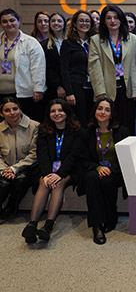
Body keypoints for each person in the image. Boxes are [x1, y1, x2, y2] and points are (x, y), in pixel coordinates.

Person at [21, 99, 80, 243]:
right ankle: (32, 224)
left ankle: (48, 226)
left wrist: (59, 174)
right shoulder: (44, 130)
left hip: (69, 169)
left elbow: (74, 155)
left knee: (58, 184)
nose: (57, 113)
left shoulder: (76, 130)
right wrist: (47, 174)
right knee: (44, 183)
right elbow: (42, 154)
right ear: (49, 114)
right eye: (53, 111)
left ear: (66, 112)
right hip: (47, 168)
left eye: (60, 110)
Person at [75, 98, 129, 244]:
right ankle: (96, 225)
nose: (102, 112)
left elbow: (126, 158)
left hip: (116, 171)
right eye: (100, 108)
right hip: (94, 169)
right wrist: (98, 167)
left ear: (112, 114)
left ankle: (111, 215)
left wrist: (110, 169)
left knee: (106, 180)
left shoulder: (122, 132)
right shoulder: (86, 133)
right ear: (95, 111)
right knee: (92, 178)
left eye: (107, 109)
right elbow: (82, 159)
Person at [88, 5, 136, 134]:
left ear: (121, 20)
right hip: (107, 88)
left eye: (116, 18)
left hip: (128, 87)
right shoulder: (96, 40)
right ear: (104, 21)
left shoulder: (132, 38)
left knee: (128, 123)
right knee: (111, 123)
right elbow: (94, 67)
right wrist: (99, 91)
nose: (113, 21)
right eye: (109, 18)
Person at [0, 8, 46, 121]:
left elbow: (38, 67)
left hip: (23, 93)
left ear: (18, 22)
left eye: (12, 20)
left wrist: (38, 89)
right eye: (4, 21)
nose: (9, 24)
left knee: (25, 123)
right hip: (2, 92)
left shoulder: (30, 42)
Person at [0, 97, 39, 223]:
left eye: (15, 109)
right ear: (1, 114)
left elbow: (34, 154)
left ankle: (10, 209)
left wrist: (14, 168)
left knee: (21, 179)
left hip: (27, 168)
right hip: (4, 168)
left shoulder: (35, 127)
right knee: (4, 183)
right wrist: (5, 170)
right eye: (7, 110)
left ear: (20, 110)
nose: (12, 113)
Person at [61, 10, 95, 124]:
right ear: (75, 24)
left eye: (87, 21)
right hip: (76, 85)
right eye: (81, 21)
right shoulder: (68, 43)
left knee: (92, 117)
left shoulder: (94, 42)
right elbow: (64, 69)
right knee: (81, 117)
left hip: (93, 85)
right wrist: (69, 92)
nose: (84, 23)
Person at [41, 13, 67, 102]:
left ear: (64, 24)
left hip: (71, 86)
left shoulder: (71, 43)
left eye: (59, 21)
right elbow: (47, 68)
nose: (56, 23)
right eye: (53, 21)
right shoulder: (44, 45)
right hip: (53, 88)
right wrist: (58, 86)